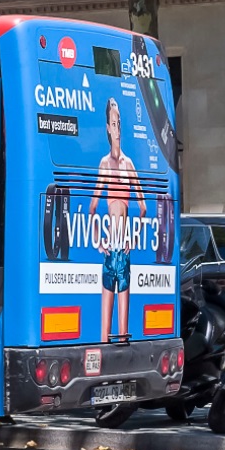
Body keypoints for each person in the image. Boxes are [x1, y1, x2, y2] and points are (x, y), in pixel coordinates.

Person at [96, 99, 138, 341]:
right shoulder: (104, 164)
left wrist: (133, 237)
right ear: (108, 128)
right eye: (114, 122)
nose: (118, 127)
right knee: (105, 331)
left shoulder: (129, 164)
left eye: (120, 122)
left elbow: (142, 207)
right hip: (110, 252)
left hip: (123, 253)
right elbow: (92, 207)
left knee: (124, 333)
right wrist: (97, 240)